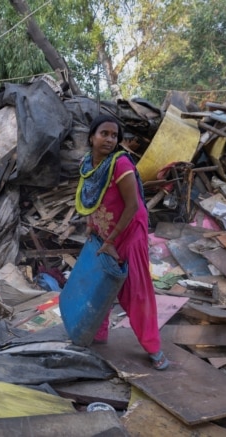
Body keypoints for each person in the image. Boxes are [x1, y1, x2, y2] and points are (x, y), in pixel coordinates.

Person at [75, 114, 169, 370]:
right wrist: (92, 226)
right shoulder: (88, 164)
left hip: (129, 233)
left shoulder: (120, 164)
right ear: (92, 137)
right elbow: (93, 199)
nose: (109, 139)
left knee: (135, 291)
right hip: (105, 232)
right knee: (100, 284)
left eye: (114, 135)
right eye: (103, 133)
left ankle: (153, 347)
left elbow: (133, 205)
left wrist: (113, 240)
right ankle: (98, 334)